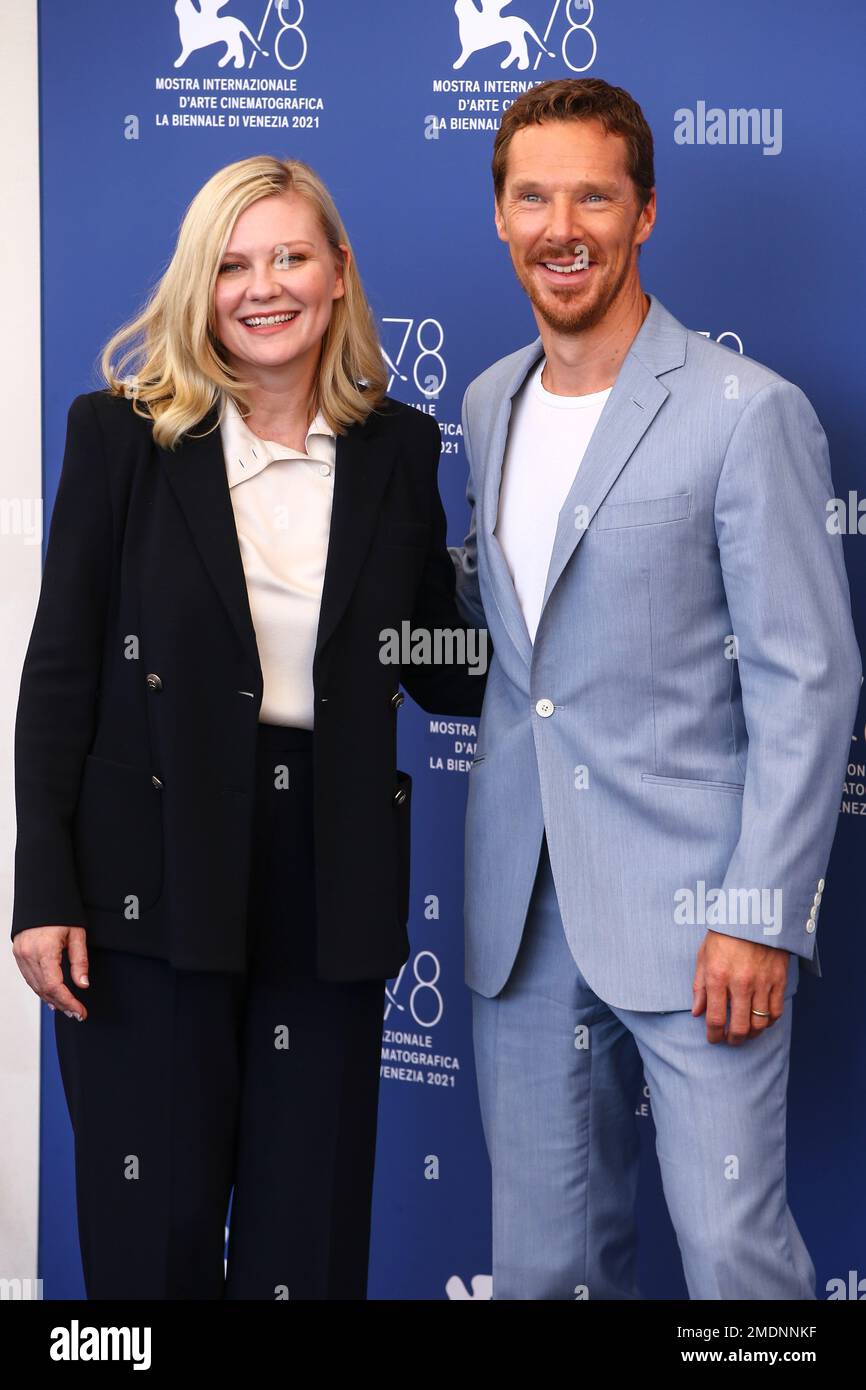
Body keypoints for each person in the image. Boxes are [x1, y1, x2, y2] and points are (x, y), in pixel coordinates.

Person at [11, 154, 487, 1300]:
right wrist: (44, 887)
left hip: (326, 872)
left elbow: (443, 670)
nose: (260, 286)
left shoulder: (399, 449)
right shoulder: (122, 437)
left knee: (305, 1245)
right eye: (230, 264)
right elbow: (62, 667)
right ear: (198, 285)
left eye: (287, 256)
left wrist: (537, 576)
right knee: (151, 1234)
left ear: (337, 274)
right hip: (148, 873)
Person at [449, 78, 860, 1299]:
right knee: (541, 1269)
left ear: (642, 215)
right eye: (531, 195)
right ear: (500, 216)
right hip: (519, 915)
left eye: (591, 194)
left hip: (699, 914)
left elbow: (808, 672)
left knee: (734, 1259)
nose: (558, 224)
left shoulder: (747, 414)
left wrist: (756, 908)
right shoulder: (484, 404)